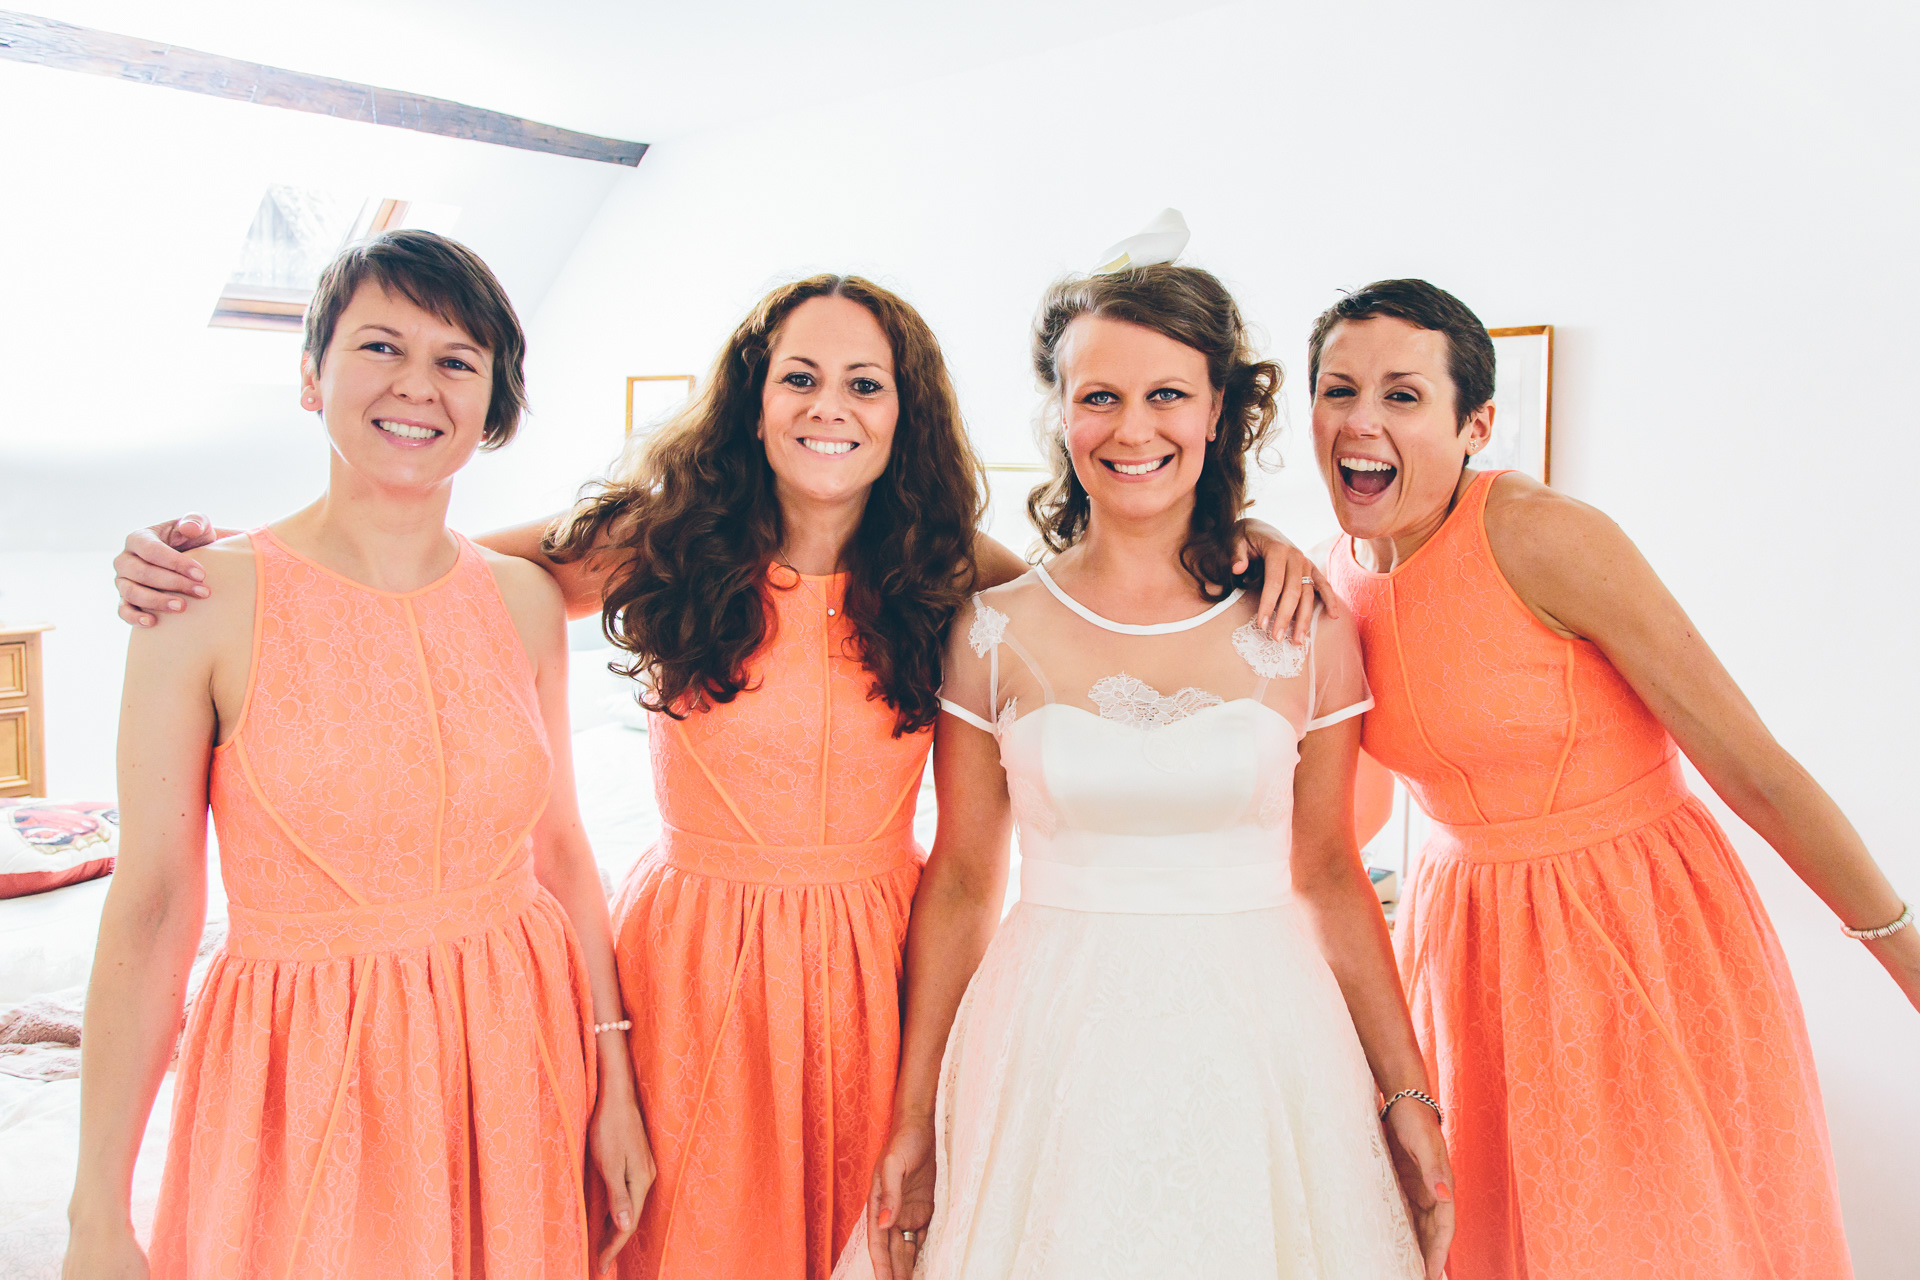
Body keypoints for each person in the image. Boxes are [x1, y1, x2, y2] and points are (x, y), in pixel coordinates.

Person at [109, 267, 1333, 1278]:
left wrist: (1250, 538)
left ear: (902, 412)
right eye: (798, 376)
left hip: (877, 968)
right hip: (689, 966)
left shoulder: (952, 564)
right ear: (752, 400)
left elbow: (1106, 597)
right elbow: (423, 562)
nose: (828, 406)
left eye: (864, 383)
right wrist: (225, 560)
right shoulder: (668, 537)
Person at [65, 230, 653, 1279]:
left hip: (515, 1051)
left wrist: (614, 1079)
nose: (416, 385)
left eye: (456, 360)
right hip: (309, 1062)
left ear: (493, 404)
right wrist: (96, 1207)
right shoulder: (199, 600)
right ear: (311, 376)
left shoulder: (524, 600)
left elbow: (562, 851)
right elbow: (151, 908)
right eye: (381, 346)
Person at [849, 262, 1452, 1280]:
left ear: (1218, 410)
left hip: (1265, 1046)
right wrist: (916, 1118)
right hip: (1048, 1046)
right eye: (1100, 397)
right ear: (1061, 412)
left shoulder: (1306, 625)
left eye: (1167, 393)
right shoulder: (991, 630)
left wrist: (1406, 1093)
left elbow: (1329, 871)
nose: (1133, 430)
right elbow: (960, 883)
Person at [1315, 278, 1920, 1279]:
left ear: (1476, 425)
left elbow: (1750, 764)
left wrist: (1903, 949)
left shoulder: (1542, 535)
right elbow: (1347, 821)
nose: (1361, 420)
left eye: (1403, 395)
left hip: (1628, 926)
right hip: (1464, 949)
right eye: (1338, 389)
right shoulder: (1332, 575)